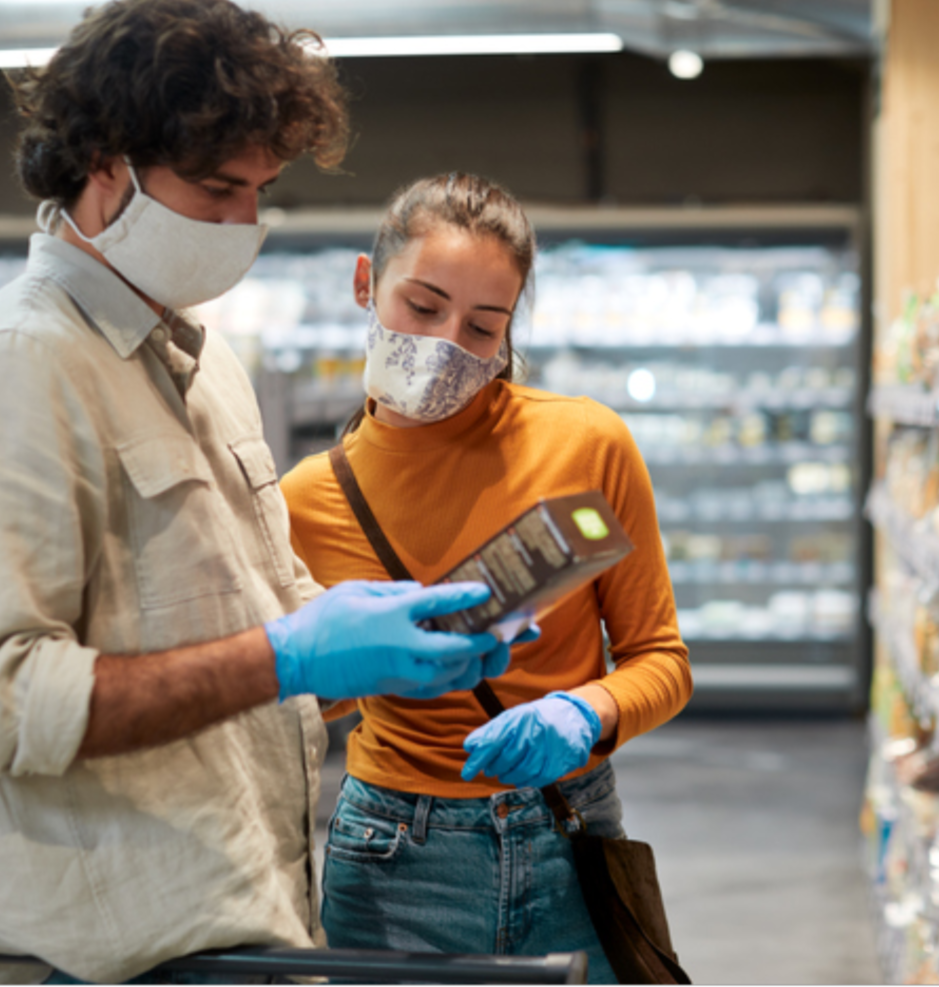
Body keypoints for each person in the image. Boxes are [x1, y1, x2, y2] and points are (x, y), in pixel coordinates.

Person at [0, 0, 514, 983]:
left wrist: (381, 651)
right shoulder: (22, 365)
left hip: (249, 925)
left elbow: (245, 627)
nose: (243, 224)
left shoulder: (203, 360)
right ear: (103, 163)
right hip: (111, 963)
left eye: (260, 192)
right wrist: (285, 655)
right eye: (217, 188)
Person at [280, 173, 694, 983]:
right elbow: (304, 704)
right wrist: (339, 668)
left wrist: (588, 710)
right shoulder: (306, 499)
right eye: (422, 307)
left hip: (569, 829)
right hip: (394, 857)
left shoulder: (586, 445)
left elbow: (661, 659)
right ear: (366, 284)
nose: (446, 344)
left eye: (482, 326)